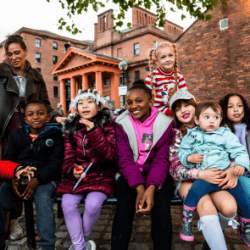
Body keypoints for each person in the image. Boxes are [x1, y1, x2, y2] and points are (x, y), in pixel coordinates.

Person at [169, 90, 240, 250]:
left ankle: (211, 242)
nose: (183, 110)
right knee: (206, 205)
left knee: (229, 207)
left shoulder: (215, 125)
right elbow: (174, 168)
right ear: (175, 114)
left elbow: (233, 152)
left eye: (187, 105)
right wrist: (199, 174)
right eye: (178, 108)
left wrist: (232, 169)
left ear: (196, 107)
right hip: (188, 180)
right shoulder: (175, 134)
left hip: (214, 178)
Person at [111, 81, 174, 250]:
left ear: (150, 101)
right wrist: (139, 188)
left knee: (161, 209)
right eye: (129, 102)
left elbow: (162, 159)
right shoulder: (121, 123)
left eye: (139, 101)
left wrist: (151, 188)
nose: (133, 106)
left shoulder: (165, 123)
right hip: (131, 174)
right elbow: (124, 159)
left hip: (158, 175)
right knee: (123, 208)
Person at [56, 89, 117, 250]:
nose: (85, 106)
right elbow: (68, 156)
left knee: (92, 205)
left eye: (89, 102)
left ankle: (80, 241)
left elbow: (109, 155)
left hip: (101, 176)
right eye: (80, 103)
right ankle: (80, 247)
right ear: (75, 108)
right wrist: (72, 169)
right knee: (67, 204)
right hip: (76, 178)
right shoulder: (71, 128)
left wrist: (93, 130)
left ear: (98, 105)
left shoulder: (108, 125)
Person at [0, 101, 64, 250]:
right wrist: (15, 177)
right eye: (31, 114)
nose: (36, 117)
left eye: (40, 113)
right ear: (25, 118)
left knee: (43, 199)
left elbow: (55, 164)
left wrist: (38, 179)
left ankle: (47, 245)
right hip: (20, 177)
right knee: (3, 192)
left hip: (45, 180)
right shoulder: (17, 136)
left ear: (48, 117)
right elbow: (8, 160)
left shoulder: (55, 136)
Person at [220, 93, 250, 246]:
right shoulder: (221, 131)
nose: (236, 110)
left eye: (239, 106)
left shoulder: (248, 129)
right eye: (230, 107)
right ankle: (246, 223)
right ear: (224, 110)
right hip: (232, 175)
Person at [144, 41, 187, 116]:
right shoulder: (153, 76)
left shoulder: (179, 77)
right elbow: (145, 96)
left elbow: (185, 95)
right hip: (158, 112)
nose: (168, 59)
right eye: (163, 57)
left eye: (170, 55)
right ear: (157, 61)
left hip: (177, 109)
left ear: (175, 57)